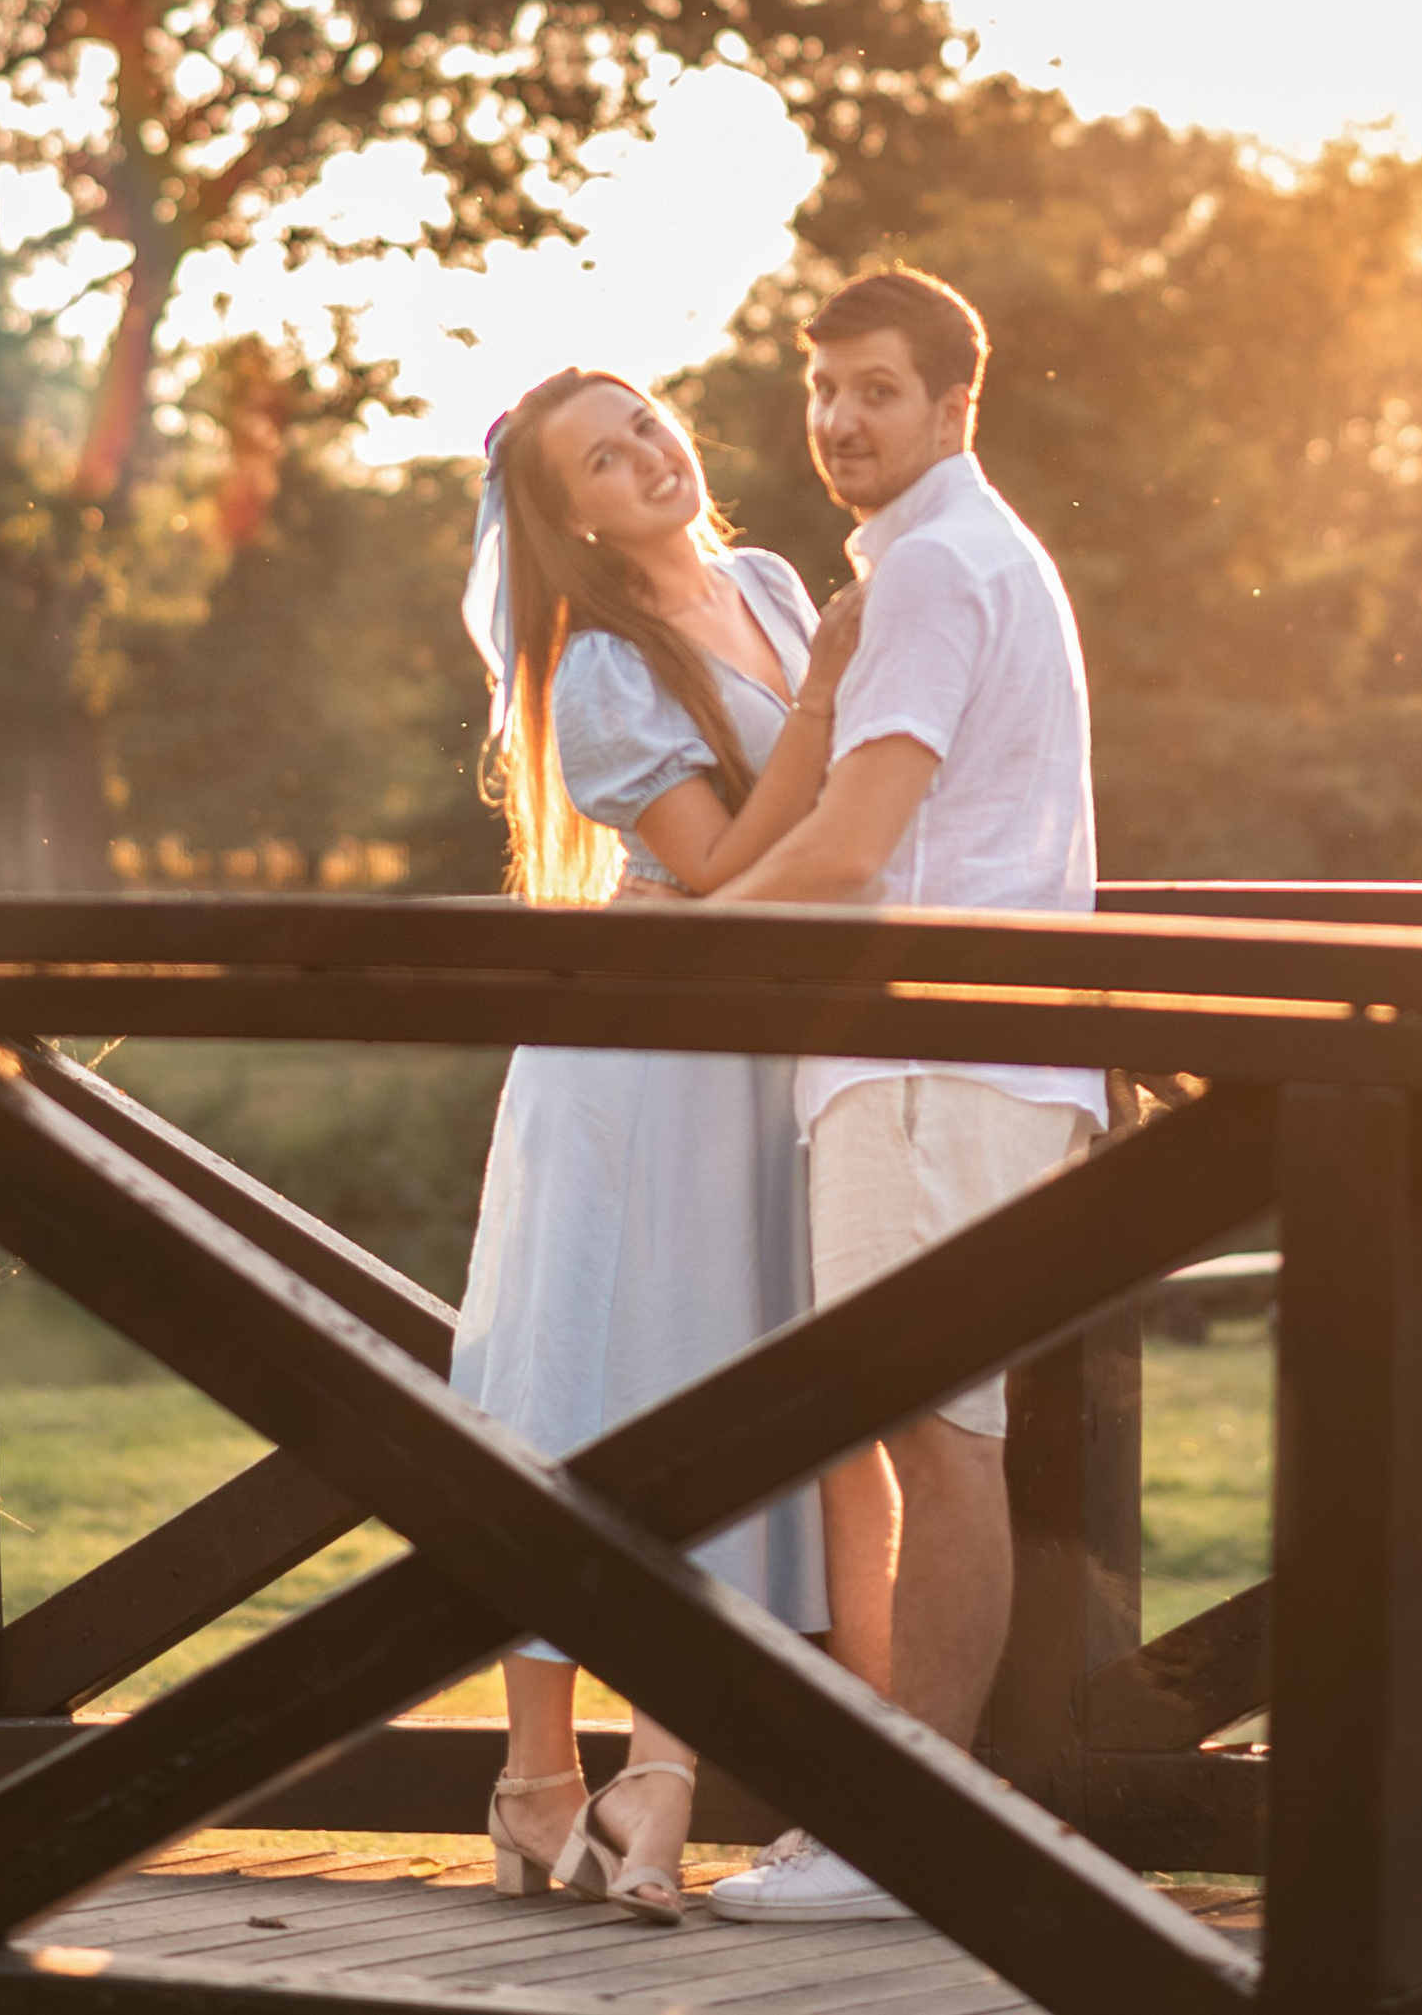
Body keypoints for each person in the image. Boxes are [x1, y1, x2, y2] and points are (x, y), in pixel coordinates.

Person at [703, 266, 1105, 1928]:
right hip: (964, 1061)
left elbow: (858, 851)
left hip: (938, 1061)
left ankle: (905, 1839)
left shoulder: (939, 566)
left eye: (877, 389)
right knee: (934, 1439)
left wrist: (667, 960)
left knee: (939, 1449)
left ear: (957, 404)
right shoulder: (947, 563)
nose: (842, 420)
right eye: (824, 390)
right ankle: (906, 1820)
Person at [449, 365, 863, 1927]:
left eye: (647, 428)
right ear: (570, 517)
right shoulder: (604, 661)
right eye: (603, 463)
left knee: (717, 1382)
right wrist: (826, 700)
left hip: (753, 1059)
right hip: (632, 1060)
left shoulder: (766, 580)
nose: (648, 461)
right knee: (575, 1378)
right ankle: (544, 1772)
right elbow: (706, 865)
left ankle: (659, 1774)